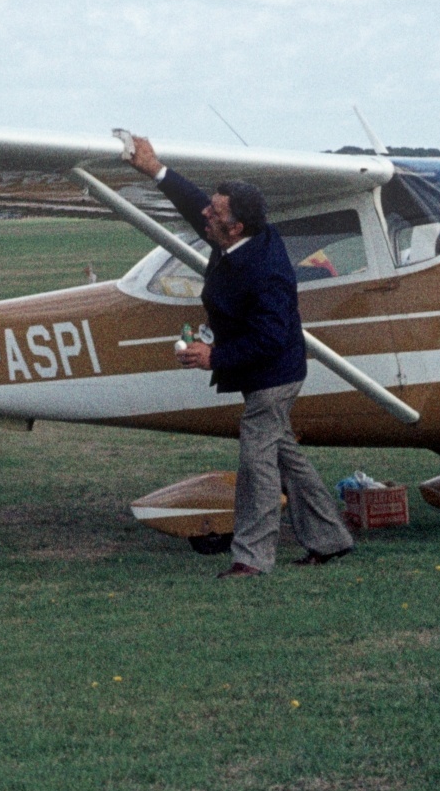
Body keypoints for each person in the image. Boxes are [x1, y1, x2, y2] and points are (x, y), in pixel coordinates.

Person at [127, 136, 355, 577]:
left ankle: (251, 558)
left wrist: (215, 356)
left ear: (235, 228)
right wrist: (154, 169)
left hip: (274, 375)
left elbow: (270, 338)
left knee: (257, 466)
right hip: (264, 369)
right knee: (286, 456)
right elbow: (195, 203)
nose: (205, 215)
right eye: (212, 207)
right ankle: (330, 539)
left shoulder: (265, 270)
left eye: (216, 212)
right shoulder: (236, 235)